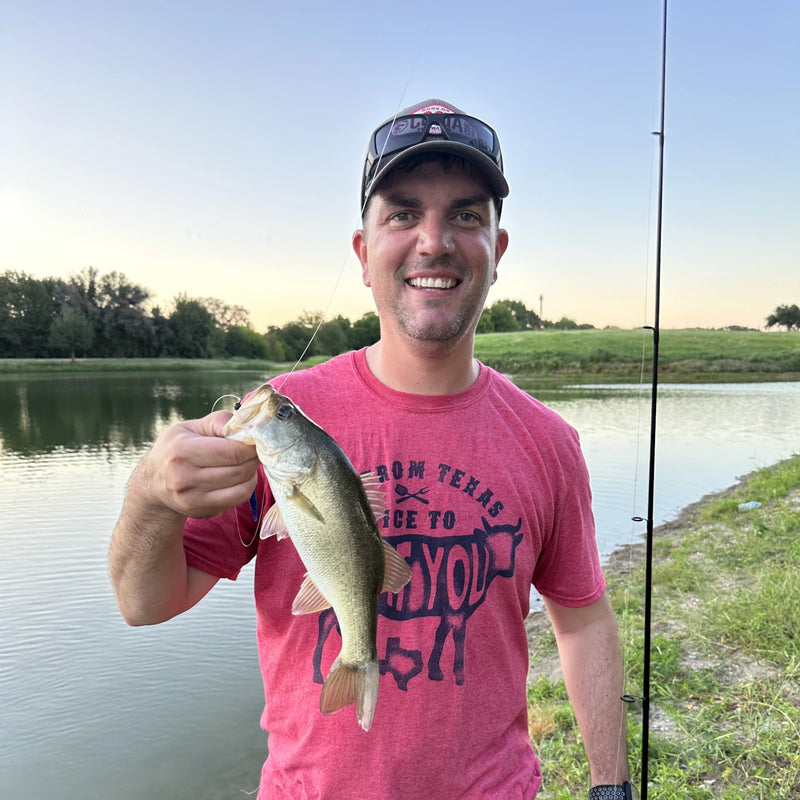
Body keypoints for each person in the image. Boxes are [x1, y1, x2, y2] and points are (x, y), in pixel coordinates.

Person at [109, 98, 635, 800]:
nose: (434, 241)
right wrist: (149, 496)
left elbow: (583, 619)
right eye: (403, 213)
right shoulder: (266, 426)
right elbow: (144, 604)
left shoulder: (549, 442)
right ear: (363, 252)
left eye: (467, 215)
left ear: (497, 252)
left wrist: (611, 787)